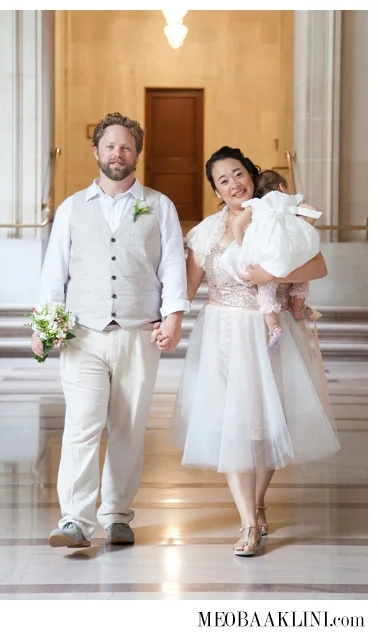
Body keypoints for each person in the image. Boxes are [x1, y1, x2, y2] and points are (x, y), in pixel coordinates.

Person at [165, 146, 340, 557]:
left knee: (268, 425)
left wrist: (269, 273)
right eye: (223, 181)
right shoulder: (207, 231)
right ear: (216, 191)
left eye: (238, 174)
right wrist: (162, 319)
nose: (234, 184)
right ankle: (247, 522)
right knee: (235, 427)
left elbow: (318, 267)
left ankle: (258, 503)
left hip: (270, 332)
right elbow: (185, 289)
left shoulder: (278, 216)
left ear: (252, 174)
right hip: (224, 336)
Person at [34, 112, 189, 549]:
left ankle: (118, 514)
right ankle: (75, 520)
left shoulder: (160, 206)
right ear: (96, 151)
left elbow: (172, 265)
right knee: (82, 426)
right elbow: (54, 272)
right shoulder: (71, 208)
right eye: (110, 146)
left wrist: (174, 317)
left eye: (125, 147)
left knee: (128, 428)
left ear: (136, 154)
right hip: (83, 334)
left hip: (139, 333)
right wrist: (44, 325)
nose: (117, 153)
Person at [219, 169, 323, 351]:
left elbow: (237, 225)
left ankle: (274, 327)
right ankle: (298, 309)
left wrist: (245, 244)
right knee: (300, 276)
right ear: (281, 186)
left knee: (267, 288)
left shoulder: (255, 205)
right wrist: (302, 228)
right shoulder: (291, 201)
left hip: (267, 252)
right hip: (290, 250)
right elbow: (314, 211)